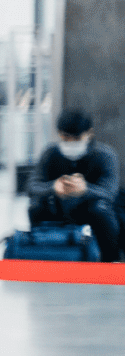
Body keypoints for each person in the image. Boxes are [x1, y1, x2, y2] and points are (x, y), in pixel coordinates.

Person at [27, 109, 120, 262]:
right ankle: (42, 253)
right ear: (58, 134)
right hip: (58, 206)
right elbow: (32, 186)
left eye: (76, 138)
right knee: (35, 206)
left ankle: (110, 260)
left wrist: (85, 190)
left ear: (89, 133)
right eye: (65, 137)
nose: (70, 143)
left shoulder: (105, 155)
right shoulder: (50, 153)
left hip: (89, 208)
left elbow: (110, 192)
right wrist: (54, 187)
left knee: (102, 210)